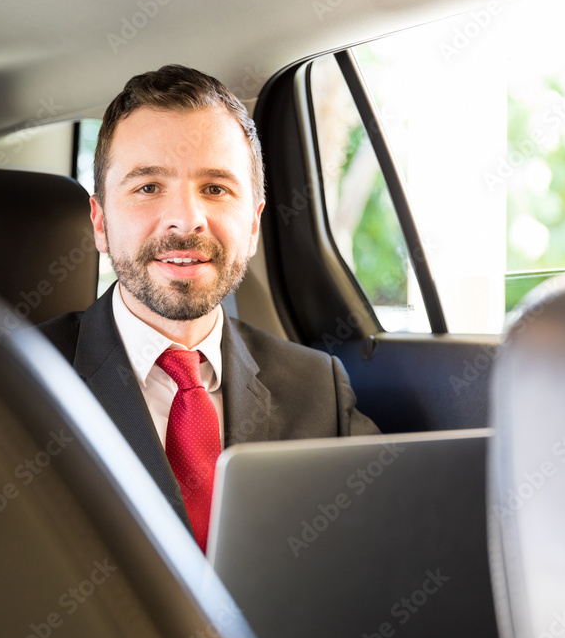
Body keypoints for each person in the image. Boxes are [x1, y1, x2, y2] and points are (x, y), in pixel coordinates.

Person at [39, 64, 378, 551]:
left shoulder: (318, 393)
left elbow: (380, 559)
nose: (186, 220)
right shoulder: (7, 382)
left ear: (255, 224)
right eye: (148, 187)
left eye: (216, 188)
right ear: (99, 222)